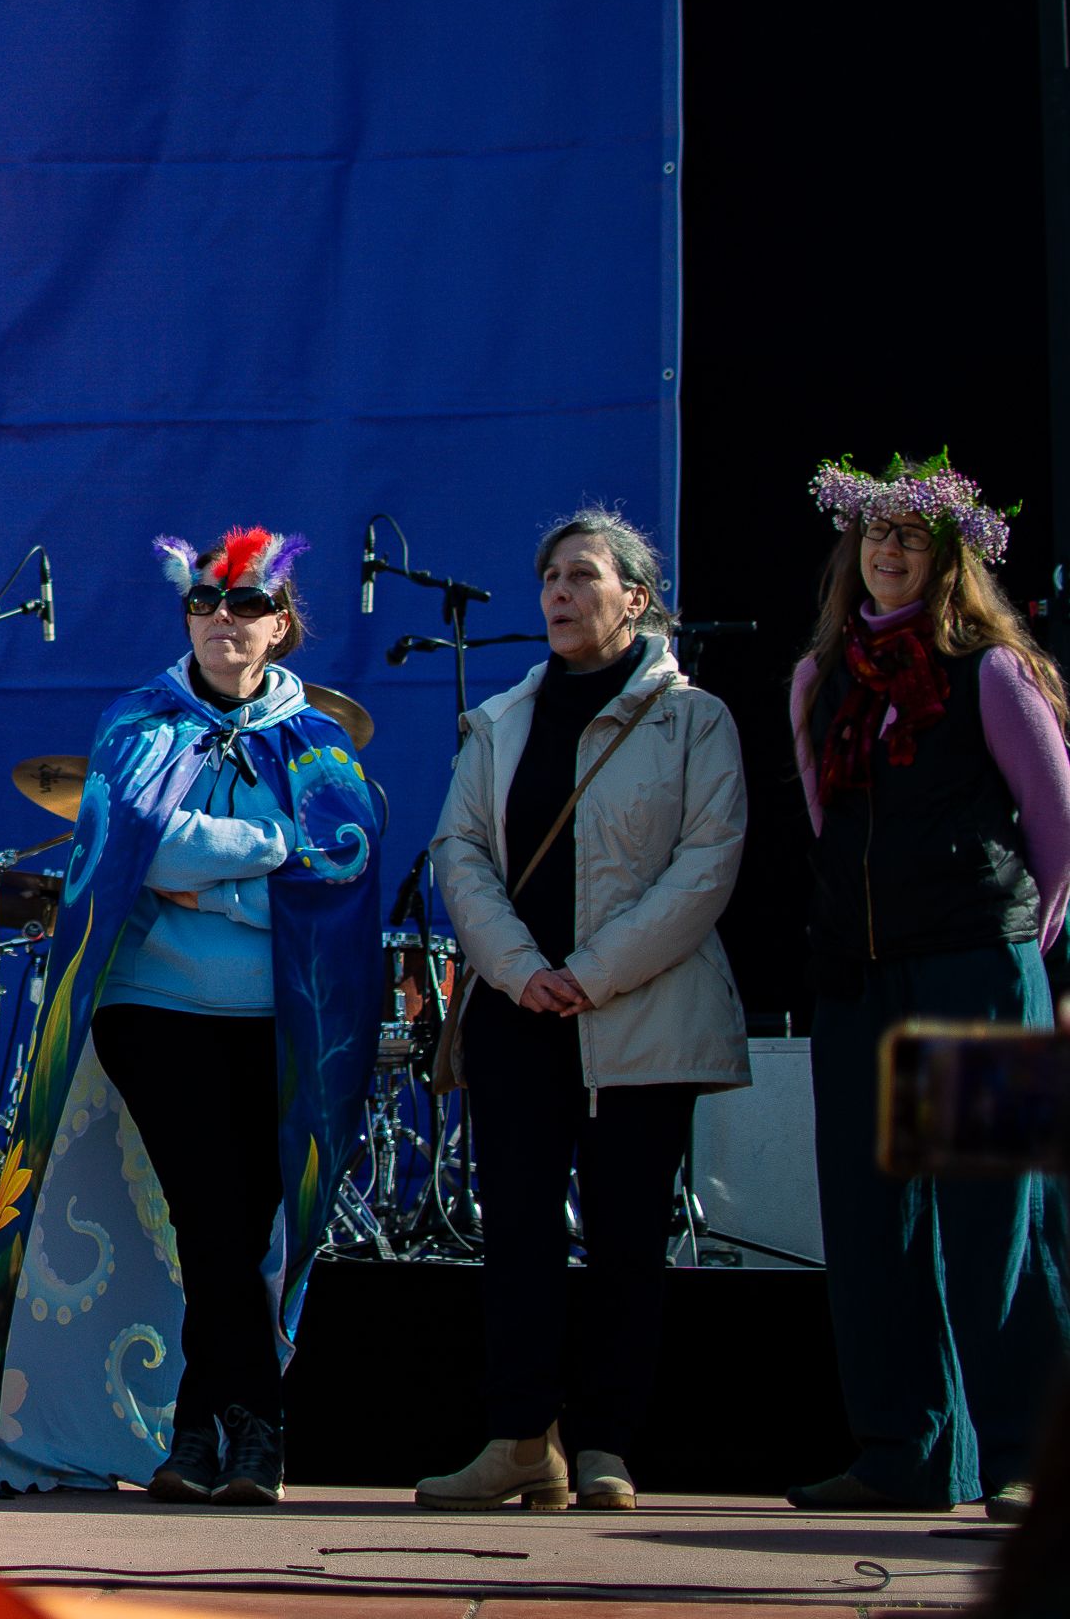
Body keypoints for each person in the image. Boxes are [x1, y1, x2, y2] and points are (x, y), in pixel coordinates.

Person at [0, 528, 382, 1506]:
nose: (222, 617)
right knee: (211, 1218)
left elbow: (340, 855)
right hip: (156, 1011)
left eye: (244, 602)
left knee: (242, 1225)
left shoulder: (316, 740)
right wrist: (264, 849)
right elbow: (133, 844)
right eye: (205, 600)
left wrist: (204, 867)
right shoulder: (141, 724)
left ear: (281, 623)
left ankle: (199, 1431)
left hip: (284, 1017)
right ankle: (256, 1430)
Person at [413, 510, 748, 1514]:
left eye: (585, 575)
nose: (559, 591)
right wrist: (522, 969)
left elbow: (706, 863)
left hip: (640, 1016)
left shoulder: (696, 719)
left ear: (636, 598)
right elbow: (459, 850)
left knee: (626, 1234)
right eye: (550, 574)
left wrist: (591, 972)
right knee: (515, 1228)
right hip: (520, 1014)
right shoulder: (505, 717)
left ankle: (605, 1442)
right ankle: (520, 1439)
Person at [784, 452, 1070, 1515]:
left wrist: (1008, 956)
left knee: (999, 1217)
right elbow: (826, 823)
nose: (890, 551)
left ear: (949, 560)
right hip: (861, 975)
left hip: (976, 970)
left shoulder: (991, 670)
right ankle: (905, 1450)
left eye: (912, 536)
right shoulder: (821, 679)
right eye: (875, 535)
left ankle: (1026, 1454)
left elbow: (1057, 833)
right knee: (871, 1224)